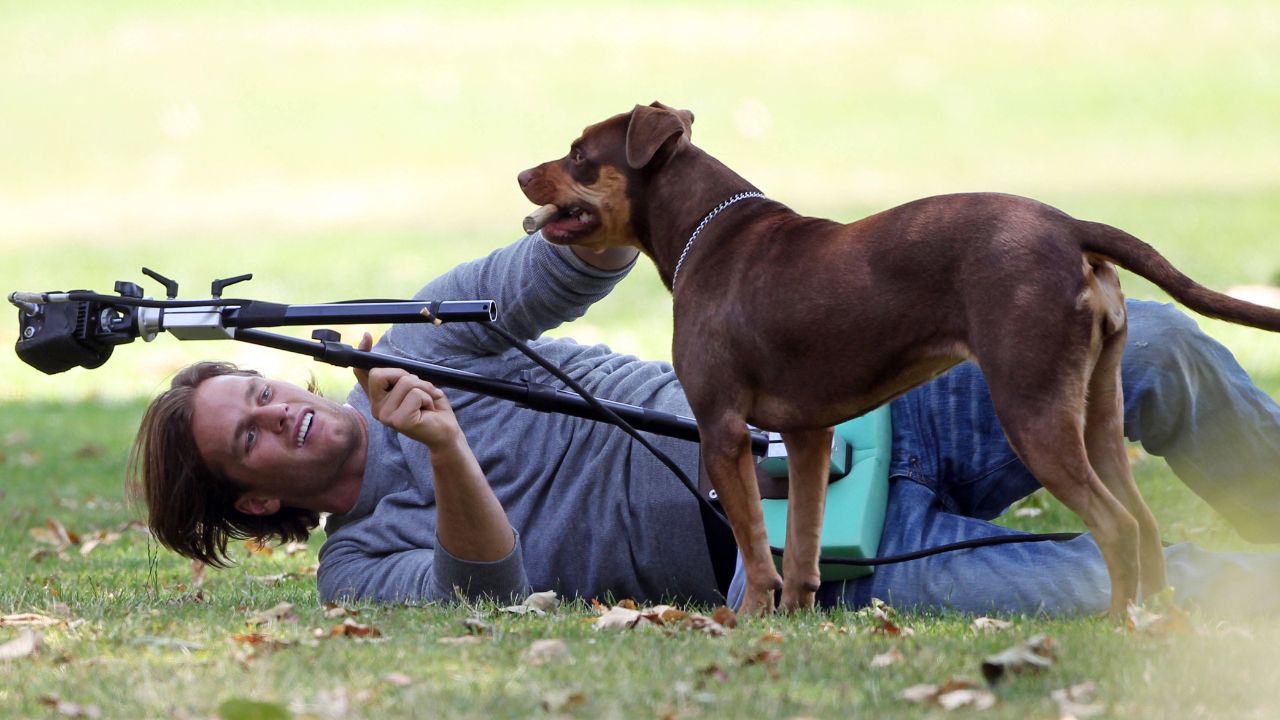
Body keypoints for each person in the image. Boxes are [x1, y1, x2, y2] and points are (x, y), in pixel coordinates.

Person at [129, 235, 1280, 616]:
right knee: (1117, 579)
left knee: (1160, 352)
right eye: (254, 437)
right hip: (793, 557)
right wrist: (441, 449)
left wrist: (595, 220)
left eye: (261, 388)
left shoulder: (424, 339)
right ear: (258, 501)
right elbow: (485, 589)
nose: (283, 407)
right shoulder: (355, 572)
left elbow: (548, 277)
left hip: (845, 403)